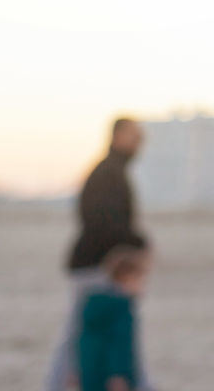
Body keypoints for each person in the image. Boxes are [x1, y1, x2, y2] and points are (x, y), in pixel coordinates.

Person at [46, 117, 152, 391]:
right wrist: (136, 242)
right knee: (81, 333)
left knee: (90, 331)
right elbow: (100, 221)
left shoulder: (112, 170)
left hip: (100, 265)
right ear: (118, 136)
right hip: (95, 266)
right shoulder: (108, 172)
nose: (140, 142)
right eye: (134, 136)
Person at [77, 245, 150, 391]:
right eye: (140, 280)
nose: (143, 286)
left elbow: (82, 341)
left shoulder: (93, 304)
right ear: (128, 277)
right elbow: (120, 343)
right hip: (114, 379)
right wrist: (118, 374)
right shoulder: (121, 307)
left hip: (90, 373)